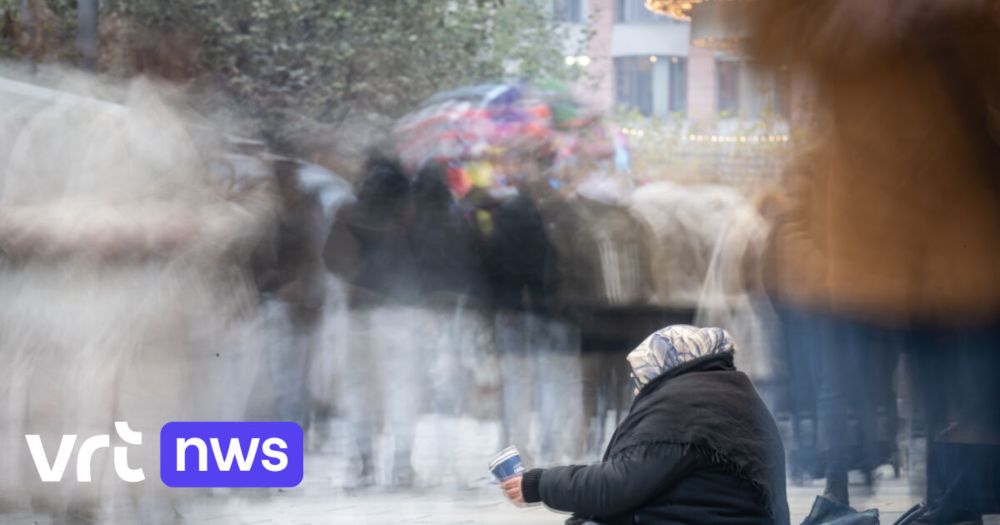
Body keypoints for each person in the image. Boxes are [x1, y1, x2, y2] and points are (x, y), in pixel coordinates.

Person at [501, 325, 790, 525]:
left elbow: (613, 487)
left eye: (642, 377)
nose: (638, 390)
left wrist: (539, 485)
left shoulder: (685, 409)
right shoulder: (724, 393)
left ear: (666, 367)